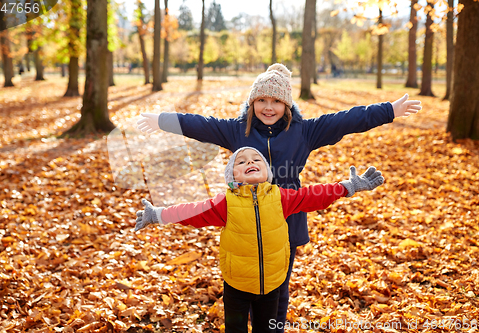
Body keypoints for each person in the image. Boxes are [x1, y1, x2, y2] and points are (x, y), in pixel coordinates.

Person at [136, 63, 421, 331]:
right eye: (262, 100)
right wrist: (161, 119)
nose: (268, 107)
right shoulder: (238, 130)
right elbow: (199, 124)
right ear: (252, 103)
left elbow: (347, 120)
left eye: (276, 101)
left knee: (277, 289)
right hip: (243, 217)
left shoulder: (304, 131)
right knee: (247, 286)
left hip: (288, 213)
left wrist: (389, 111)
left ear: (286, 104)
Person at [135, 147, 385, 333]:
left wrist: (348, 186)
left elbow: (313, 195)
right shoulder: (226, 203)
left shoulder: (281, 197)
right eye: (241, 161)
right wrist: (156, 214)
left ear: (267, 173)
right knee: (235, 329)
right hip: (237, 283)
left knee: (266, 329)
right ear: (232, 176)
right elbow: (191, 211)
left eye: (257, 160)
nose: (250, 162)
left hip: (273, 282)